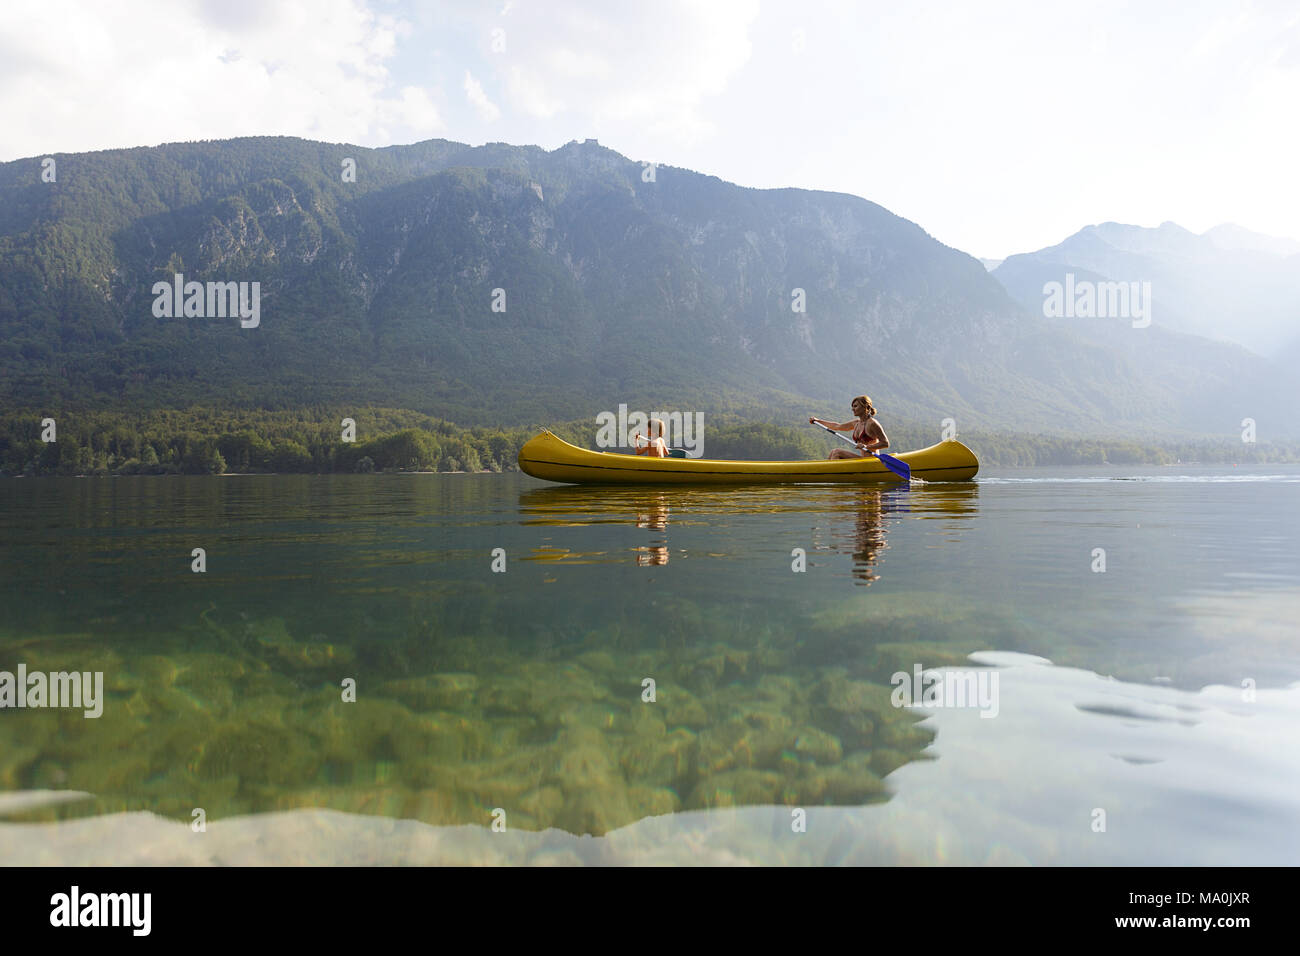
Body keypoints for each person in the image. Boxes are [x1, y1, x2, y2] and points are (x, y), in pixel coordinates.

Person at [810, 395, 890, 460]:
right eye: (852, 406)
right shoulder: (856, 423)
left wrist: (867, 446)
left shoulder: (873, 423)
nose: (852, 409)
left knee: (837, 452)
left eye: (855, 406)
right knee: (833, 452)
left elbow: (885, 443)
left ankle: (832, 477)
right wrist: (818, 421)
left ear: (866, 407)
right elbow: (837, 426)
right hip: (863, 459)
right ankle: (826, 473)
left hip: (872, 460)